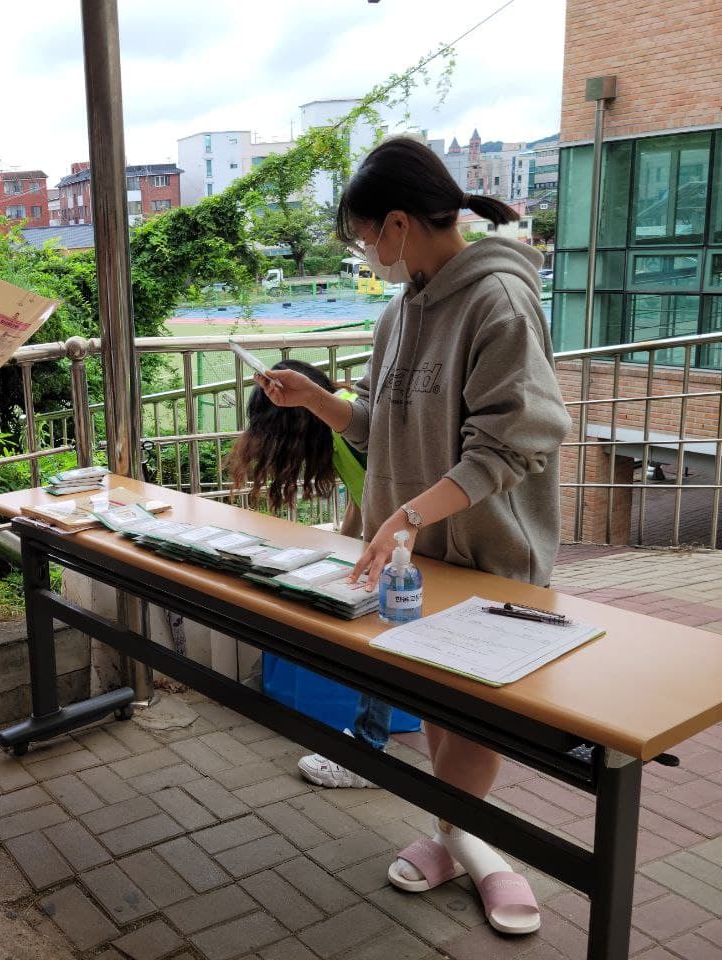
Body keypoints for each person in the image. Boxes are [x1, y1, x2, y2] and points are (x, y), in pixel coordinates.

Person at [258, 136, 570, 937]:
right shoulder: (399, 311)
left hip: (490, 554)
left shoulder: (499, 301)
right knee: (435, 702)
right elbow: (381, 427)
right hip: (416, 556)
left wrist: (404, 513)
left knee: (475, 715)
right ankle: (458, 841)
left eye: (367, 238)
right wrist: (317, 401)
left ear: (398, 223)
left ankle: (477, 847)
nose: (369, 254)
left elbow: (514, 443)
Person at [225, 359, 393, 789]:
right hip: (393, 543)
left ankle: (367, 750)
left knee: (384, 639)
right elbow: (368, 491)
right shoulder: (343, 433)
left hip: (412, 549)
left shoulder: (353, 429)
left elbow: (391, 491)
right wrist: (346, 543)